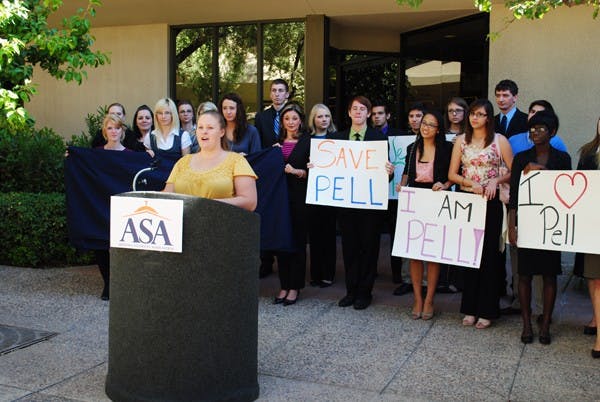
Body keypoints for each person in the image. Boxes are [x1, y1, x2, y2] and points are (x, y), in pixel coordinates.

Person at [448, 98, 513, 329]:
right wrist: (469, 182)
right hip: (468, 201)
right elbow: (452, 174)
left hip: (492, 203)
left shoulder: (499, 140)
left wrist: (496, 179)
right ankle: (469, 308)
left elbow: (513, 171)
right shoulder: (460, 142)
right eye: (473, 114)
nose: (475, 118)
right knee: (469, 255)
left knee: (489, 257)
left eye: (480, 114)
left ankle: (487, 309)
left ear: (489, 118)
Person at [508, 110, 571, 345]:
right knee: (524, 275)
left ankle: (545, 325)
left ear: (552, 132)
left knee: (549, 275)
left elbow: (566, 188)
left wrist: (543, 171)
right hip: (527, 221)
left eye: (541, 129)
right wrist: (512, 225)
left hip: (551, 224)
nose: (535, 132)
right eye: (532, 129)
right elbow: (514, 193)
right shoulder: (521, 158)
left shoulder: (562, 159)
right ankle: (526, 324)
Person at [328, 96, 395, 310]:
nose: (358, 112)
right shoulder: (337, 139)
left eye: (362, 109)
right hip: (346, 205)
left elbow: (385, 176)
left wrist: (390, 173)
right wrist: (317, 166)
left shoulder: (379, 139)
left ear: (368, 113)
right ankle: (351, 291)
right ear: (349, 113)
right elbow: (330, 171)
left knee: (369, 247)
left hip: (369, 206)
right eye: (354, 108)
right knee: (349, 248)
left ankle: (365, 293)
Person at [398, 110, 453, 319]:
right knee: (413, 254)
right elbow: (406, 173)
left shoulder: (447, 148)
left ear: (438, 129)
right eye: (424, 123)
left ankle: (429, 300)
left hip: (436, 198)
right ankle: (417, 299)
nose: (425, 127)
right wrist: (401, 186)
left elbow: (453, 174)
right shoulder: (412, 148)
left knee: (432, 254)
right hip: (414, 199)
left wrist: (445, 184)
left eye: (431, 124)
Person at [163, 110, 257, 211]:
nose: (204, 131)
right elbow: (166, 196)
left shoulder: (237, 161)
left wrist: (207, 204)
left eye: (210, 128)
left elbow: (249, 201)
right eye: (200, 127)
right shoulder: (182, 162)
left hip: (221, 224)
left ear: (222, 132)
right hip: (183, 225)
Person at [370, 101, 412, 295]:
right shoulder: (367, 137)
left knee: (397, 234)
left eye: (380, 113)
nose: (376, 116)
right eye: (374, 114)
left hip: (395, 194)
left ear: (387, 116)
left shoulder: (401, 136)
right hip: (374, 194)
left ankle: (398, 275)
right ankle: (372, 270)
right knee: (373, 235)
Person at [272, 103, 310, 306]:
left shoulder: (307, 142)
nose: (291, 122)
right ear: (282, 122)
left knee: (297, 243)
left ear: (300, 121)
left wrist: (295, 171)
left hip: (299, 199)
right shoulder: (276, 143)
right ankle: (284, 285)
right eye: (287, 119)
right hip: (280, 200)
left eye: (294, 119)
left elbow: (312, 173)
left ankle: (295, 287)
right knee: (282, 244)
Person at [93, 113, 132, 300]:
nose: (114, 131)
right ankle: (108, 283)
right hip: (101, 203)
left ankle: (120, 282)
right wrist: (71, 156)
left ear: (122, 131)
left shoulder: (131, 156)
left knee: (122, 244)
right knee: (100, 242)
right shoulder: (96, 153)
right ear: (104, 131)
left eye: (117, 128)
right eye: (110, 128)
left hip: (123, 206)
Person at [254, 78, 290, 278]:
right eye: (274, 90)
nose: (277, 94)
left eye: (281, 90)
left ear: (287, 94)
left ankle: (285, 261)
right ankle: (265, 262)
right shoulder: (262, 117)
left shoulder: (293, 114)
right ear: (270, 94)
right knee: (266, 213)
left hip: (289, 169)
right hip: (268, 171)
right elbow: (259, 146)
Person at [306, 103, 337, 288]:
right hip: (312, 194)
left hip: (332, 195)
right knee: (315, 236)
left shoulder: (337, 138)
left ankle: (328, 274)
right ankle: (315, 273)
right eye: (320, 116)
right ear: (313, 119)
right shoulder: (307, 139)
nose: (323, 119)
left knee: (329, 236)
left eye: (326, 116)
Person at [576, 116, 600, 358]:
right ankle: (597, 318)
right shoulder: (589, 152)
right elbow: (580, 184)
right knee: (594, 278)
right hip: (594, 223)